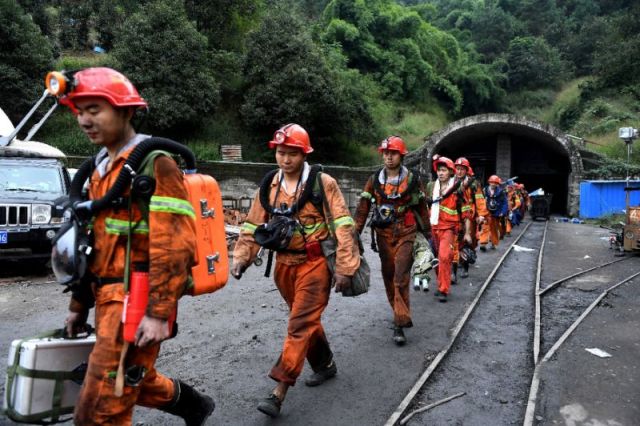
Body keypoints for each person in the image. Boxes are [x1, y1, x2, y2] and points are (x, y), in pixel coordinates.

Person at [60, 68, 215, 425]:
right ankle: (193, 404)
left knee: (101, 409)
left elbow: (174, 246)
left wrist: (159, 312)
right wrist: (78, 305)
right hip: (106, 296)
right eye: (79, 110)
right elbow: (94, 246)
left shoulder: (155, 163)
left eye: (95, 109)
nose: (84, 120)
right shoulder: (99, 169)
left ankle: (192, 404)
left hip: (135, 298)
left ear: (126, 111)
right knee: (122, 384)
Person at [230, 123, 360, 417]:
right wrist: (241, 257)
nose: (285, 159)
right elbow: (252, 224)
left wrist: (345, 267)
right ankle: (325, 364)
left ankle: (279, 391)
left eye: (292, 153)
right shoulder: (269, 185)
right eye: (280, 152)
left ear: (304, 154)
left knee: (299, 324)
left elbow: (342, 225)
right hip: (283, 267)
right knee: (305, 320)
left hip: (314, 265)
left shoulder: (322, 182)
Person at [353, 136, 431, 344]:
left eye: (393, 153)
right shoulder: (374, 180)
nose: (388, 156)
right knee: (388, 275)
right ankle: (397, 310)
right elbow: (362, 209)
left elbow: (422, 208)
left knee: (400, 275)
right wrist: (354, 235)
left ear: (401, 156)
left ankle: (400, 322)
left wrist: (429, 235)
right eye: (385, 153)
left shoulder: (413, 180)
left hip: (406, 231)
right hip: (383, 234)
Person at [426, 156, 472, 302]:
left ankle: (443, 289)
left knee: (444, 257)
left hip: (449, 229)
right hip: (433, 227)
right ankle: (441, 283)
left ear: (450, 172)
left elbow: (466, 213)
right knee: (435, 259)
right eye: (439, 170)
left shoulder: (458, 190)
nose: (440, 173)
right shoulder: (432, 187)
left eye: (444, 170)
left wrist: (468, 233)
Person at [454, 157, 489, 278]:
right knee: (456, 241)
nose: (459, 172)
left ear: (466, 170)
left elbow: (479, 200)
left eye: (462, 169)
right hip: (454, 216)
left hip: (470, 216)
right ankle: (459, 262)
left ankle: (465, 266)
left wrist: (481, 215)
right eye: (457, 169)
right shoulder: (451, 182)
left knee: (469, 241)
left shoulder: (473, 184)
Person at [479, 175, 508, 251]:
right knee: (485, 227)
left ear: (497, 183)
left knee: (494, 229)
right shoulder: (485, 190)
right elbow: (480, 201)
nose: (493, 184)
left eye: (495, 182)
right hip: (486, 212)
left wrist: (503, 212)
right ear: (489, 182)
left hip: (496, 213)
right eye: (492, 182)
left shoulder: (501, 192)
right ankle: (483, 243)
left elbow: (505, 203)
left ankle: (494, 243)